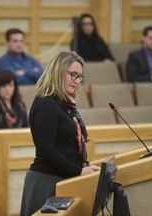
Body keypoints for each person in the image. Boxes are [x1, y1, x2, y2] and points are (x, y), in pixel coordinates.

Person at [20, 51, 100, 216]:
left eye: (79, 77)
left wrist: (82, 166)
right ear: (58, 72)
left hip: (62, 178)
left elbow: (66, 145)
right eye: (73, 75)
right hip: (46, 180)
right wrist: (78, 171)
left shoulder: (63, 104)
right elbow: (46, 150)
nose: (76, 81)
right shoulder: (46, 104)